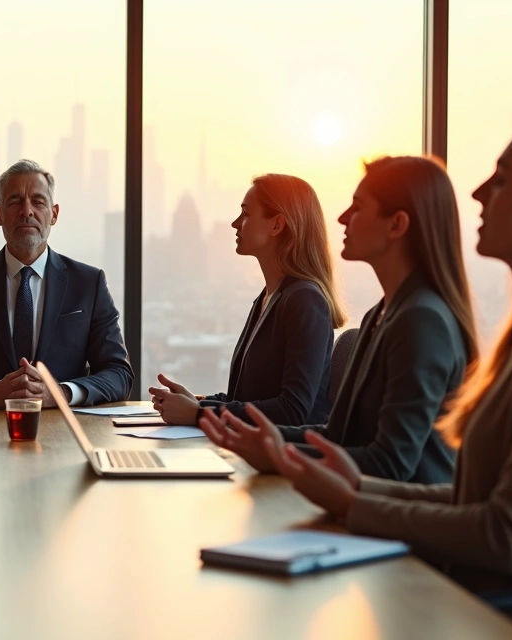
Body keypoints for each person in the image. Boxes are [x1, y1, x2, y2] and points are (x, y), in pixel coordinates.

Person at [248, 114, 512, 636]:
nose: (478, 192)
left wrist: (355, 501)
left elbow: (506, 534)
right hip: (479, 602)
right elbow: (471, 495)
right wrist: (357, 489)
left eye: (501, 179)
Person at [201, 156, 477, 483]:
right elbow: (336, 435)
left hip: (399, 524)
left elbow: (390, 465)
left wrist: (276, 452)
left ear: (396, 224)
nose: (343, 217)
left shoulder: (421, 321)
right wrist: (257, 440)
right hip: (364, 509)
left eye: (357, 208)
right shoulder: (382, 313)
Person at [0, 159, 133, 408]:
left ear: (54, 214)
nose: (27, 211)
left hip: (67, 437)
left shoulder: (89, 283)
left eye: (38, 202)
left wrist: (60, 394)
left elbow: (119, 374)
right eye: (15, 201)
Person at [149, 174, 344, 426]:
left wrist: (199, 414)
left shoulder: (305, 300)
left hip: (282, 458)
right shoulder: (268, 298)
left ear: (276, 225)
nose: (234, 223)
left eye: (246, 214)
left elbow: (292, 411)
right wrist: (198, 402)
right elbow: (247, 398)